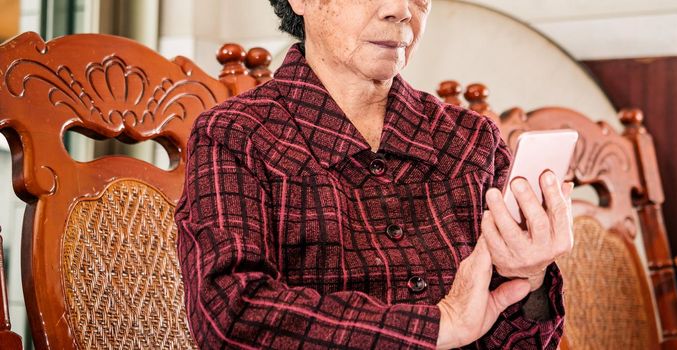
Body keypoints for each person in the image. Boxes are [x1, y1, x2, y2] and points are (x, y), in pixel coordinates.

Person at [176, 0, 574, 348]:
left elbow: (521, 340)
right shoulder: (235, 134)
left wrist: (530, 276)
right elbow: (232, 316)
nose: (400, 9)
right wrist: (439, 326)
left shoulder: (473, 140)